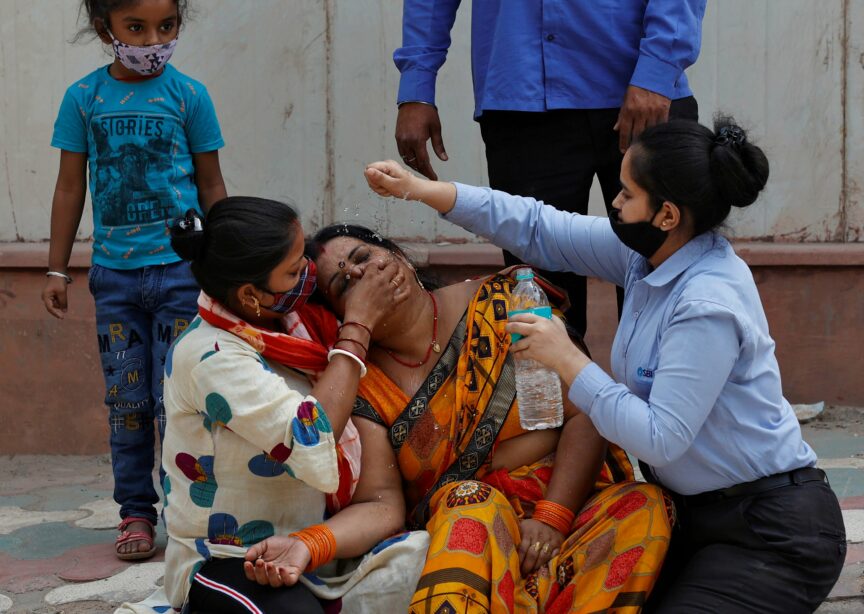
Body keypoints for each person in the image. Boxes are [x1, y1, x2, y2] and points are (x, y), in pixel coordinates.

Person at [363, 117, 848, 612]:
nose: (614, 202)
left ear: (667, 215)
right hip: (692, 516)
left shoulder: (707, 303)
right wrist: (424, 191)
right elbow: (537, 226)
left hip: (772, 530)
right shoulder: (650, 255)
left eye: (627, 193)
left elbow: (660, 436)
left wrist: (569, 360)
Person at [280, 224, 674, 613]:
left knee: (645, 505)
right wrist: (308, 544)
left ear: (397, 255)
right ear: (340, 312)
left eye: (364, 257)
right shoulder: (368, 383)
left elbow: (586, 409)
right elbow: (382, 504)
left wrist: (553, 518)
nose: (362, 275)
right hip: (471, 537)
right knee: (469, 500)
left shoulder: (503, 301)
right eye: (345, 284)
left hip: (567, 511)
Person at [136, 197, 427, 613]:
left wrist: (311, 544)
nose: (310, 275)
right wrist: (357, 327)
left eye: (304, 257)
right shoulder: (212, 358)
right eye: (294, 271)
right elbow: (313, 433)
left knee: (431, 562)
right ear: (252, 295)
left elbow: (380, 503)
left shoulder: (304, 331)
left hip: (311, 552)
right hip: (230, 560)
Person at [394, 0, 705, 335]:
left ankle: (671, 387)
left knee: (666, 278)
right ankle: (550, 389)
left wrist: (658, 70)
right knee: (539, 301)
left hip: (640, 90)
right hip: (522, 93)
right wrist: (417, 86)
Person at [42, 0, 227, 560]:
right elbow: (70, 187)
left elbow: (213, 185)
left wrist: (228, 264)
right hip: (115, 281)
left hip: (182, 275)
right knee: (128, 404)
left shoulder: (190, 96)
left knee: (182, 403)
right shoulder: (84, 98)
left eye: (167, 26)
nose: (154, 39)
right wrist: (56, 267)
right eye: (137, 28)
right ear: (107, 30)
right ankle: (136, 515)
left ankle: (191, 515)